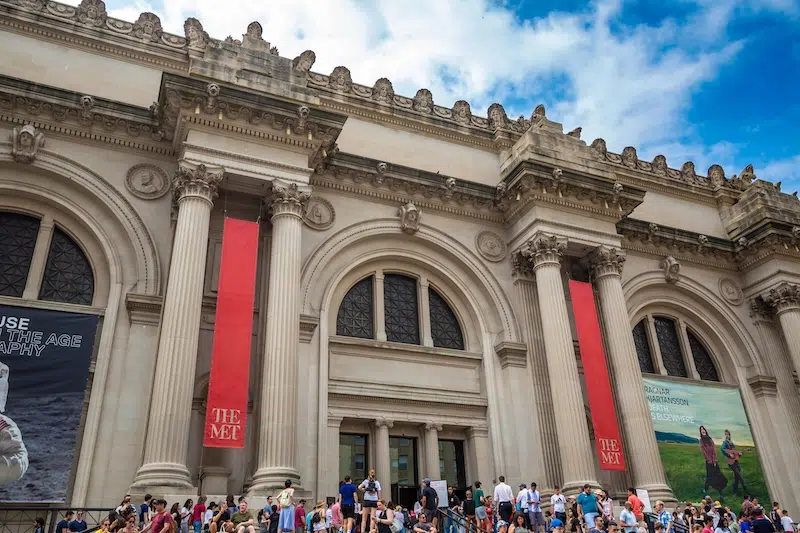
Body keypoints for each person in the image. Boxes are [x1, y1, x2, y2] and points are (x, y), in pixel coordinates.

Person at [721, 431, 746, 495]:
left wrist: (739, 454)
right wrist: (729, 455)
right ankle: (746, 490)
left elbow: (734, 452)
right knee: (739, 476)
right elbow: (722, 449)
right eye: (726, 434)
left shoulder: (731, 443)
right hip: (731, 462)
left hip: (735, 461)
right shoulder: (725, 442)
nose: (727, 436)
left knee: (737, 476)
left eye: (728, 434)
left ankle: (735, 491)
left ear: (730, 435)